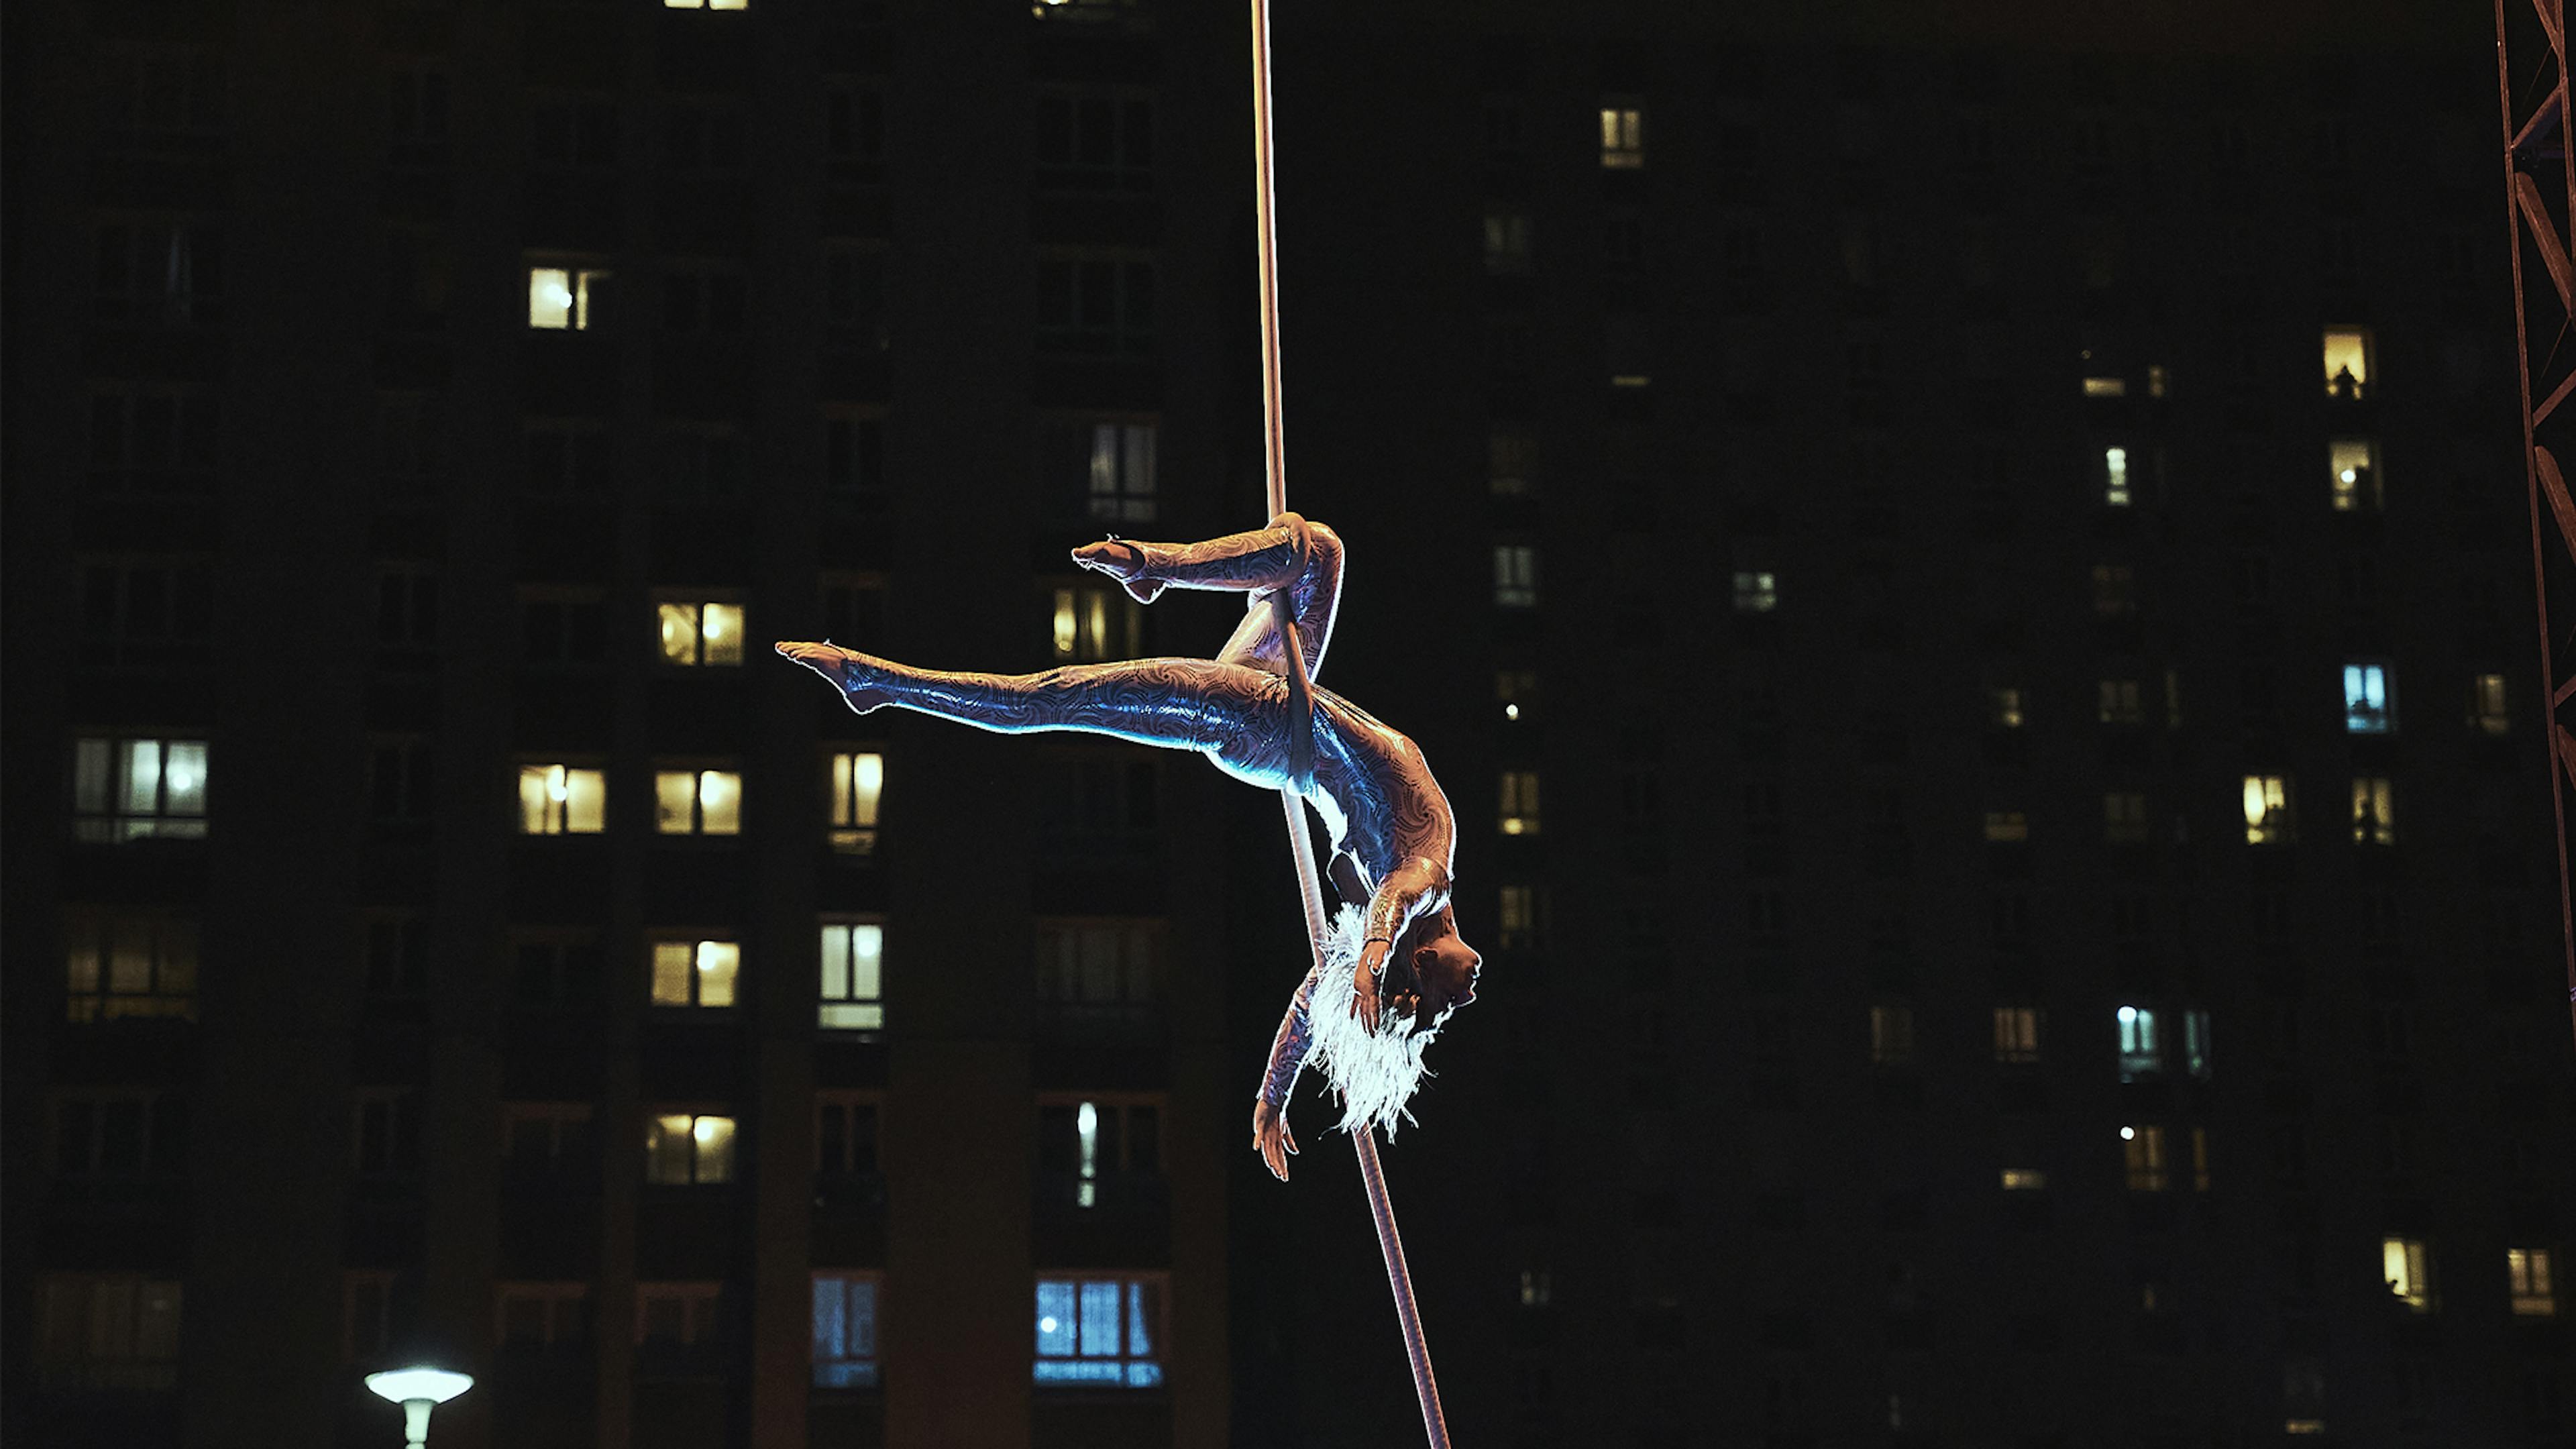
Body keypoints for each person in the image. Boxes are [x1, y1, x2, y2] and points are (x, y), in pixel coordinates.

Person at [775, 513, 1480, 1180]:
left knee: (1052, 697)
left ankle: (880, 684)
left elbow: (1396, 901)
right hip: (1285, 705)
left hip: (1264, 722)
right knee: (1317, 550)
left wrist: (1371, 965)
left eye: (1447, 1001)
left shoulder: (1423, 882)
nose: (1467, 997)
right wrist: (1274, 1097)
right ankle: (1151, 569)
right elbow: (1309, 1005)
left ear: (1422, 964)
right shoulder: (1416, 883)